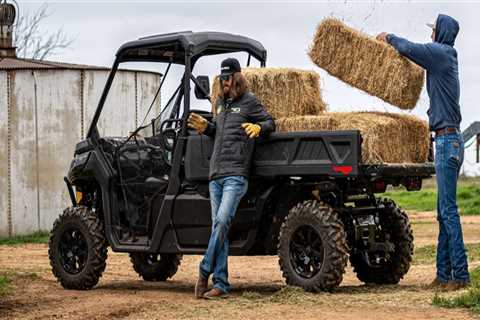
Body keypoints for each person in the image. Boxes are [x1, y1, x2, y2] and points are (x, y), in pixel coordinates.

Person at [377, 14, 469, 291]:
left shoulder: (441, 53)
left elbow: (409, 49)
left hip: (447, 141)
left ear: (441, 33)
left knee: (449, 212)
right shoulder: (445, 56)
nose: (431, 35)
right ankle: (443, 276)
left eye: (433, 30)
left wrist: (388, 38)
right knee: (443, 212)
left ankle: (461, 276)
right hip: (449, 140)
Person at [187, 58, 275, 298]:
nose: (224, 82)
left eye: (227, 78)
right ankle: (221, 285)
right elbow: (219, 133)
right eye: (221, 78)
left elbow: (270, 122)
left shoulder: (249, 102)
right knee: (219, 227)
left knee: (223, 221)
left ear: (237, 78)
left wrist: (259, 128)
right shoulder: (219, 104)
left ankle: (204, 270)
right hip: (215, 173)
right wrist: (208, 127)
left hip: (236, 174)